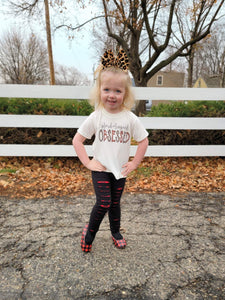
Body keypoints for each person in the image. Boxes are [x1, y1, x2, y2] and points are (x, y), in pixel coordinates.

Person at [73, 49, 149, 252]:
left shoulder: (130, 118)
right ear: (99, 90)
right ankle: (89, 233)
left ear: (125, 94)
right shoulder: (96, 117)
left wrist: (134, 163)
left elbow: (143, 141)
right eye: (107, 90)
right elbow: (77, 141)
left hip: (120, 170)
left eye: (118, 91)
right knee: (104, 202)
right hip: (100, 168)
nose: (112, 95)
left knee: (115, 203)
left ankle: (116, 232)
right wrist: (88, 163)